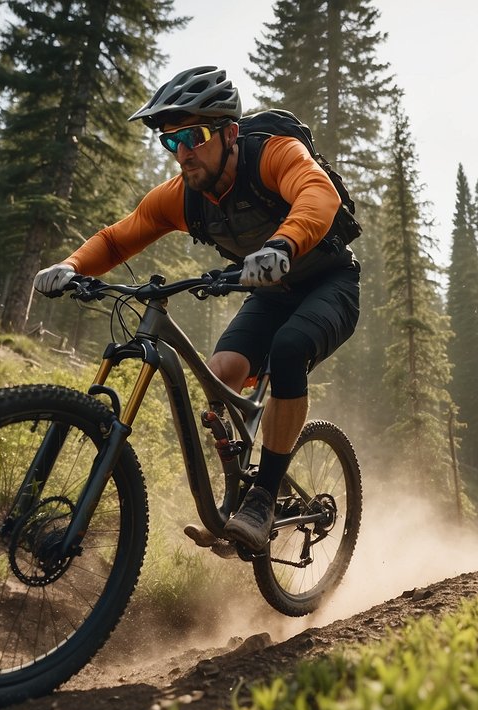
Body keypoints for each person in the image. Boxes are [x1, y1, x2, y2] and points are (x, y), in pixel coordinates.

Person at [33, 66, 360, 554]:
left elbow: (318, 193)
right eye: (172, 141)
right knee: (219, 375)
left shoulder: (272, 153)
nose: (183, 152)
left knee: (289, 350)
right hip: (270, 293)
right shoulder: (183, 196)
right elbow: (118, 237)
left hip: (329, 282)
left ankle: (264, 498)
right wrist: (71, 265)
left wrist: (284, 244)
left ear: (230, 133)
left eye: (195, 136)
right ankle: (234, 497)